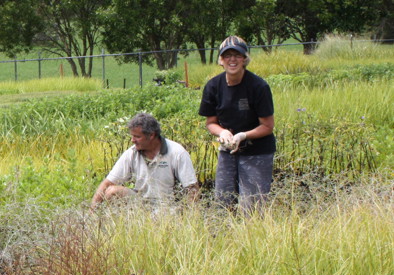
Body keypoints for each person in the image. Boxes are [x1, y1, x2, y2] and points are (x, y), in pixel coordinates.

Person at [199, 35, 275, 211]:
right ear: (221, 60)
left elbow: (268, 126)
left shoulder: (258, 87)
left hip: (257, 151)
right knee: (223, 202)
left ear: (244, 59)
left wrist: (243, 136)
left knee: (252, 207)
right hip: (228, 150)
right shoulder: (213, 86)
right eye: (227, 55)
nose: (232, 59)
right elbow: (210, 122)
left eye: (237, 55)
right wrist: (222, 133)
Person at [91, 112, 199, 208]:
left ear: (151, 135)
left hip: (168, 207)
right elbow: (107, 183)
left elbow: (192, 189)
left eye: (137, 136)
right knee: (112, 191)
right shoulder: (132, 153)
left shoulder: (177, 152)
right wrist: (91, 213)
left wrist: (189, 218)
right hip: (140, 203)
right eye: (132, 136)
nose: (132, 140)